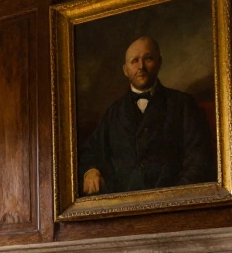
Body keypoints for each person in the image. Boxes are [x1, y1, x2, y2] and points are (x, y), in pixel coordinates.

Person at [78, 36, 217, 195]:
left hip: (174, 203)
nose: (141, 66)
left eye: (148, 58)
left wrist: (176, 196)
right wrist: (90, 170)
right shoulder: (113, 113)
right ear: (125, 70)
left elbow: (200, 158)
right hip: (124, 207)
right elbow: (91, 152)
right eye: (134, 61)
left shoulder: (183, 104)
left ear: (159, 62)